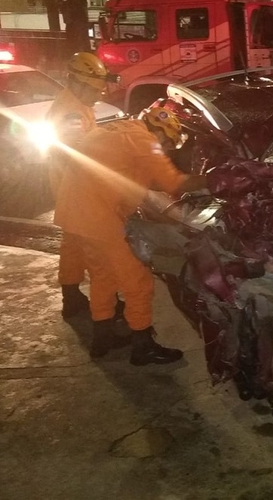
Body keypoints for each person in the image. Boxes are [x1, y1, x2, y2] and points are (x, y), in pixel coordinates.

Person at [53, 105, 207, 365]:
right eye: (168, 144)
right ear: (160, 132)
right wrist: (218, 180)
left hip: (73, 214)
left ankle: (103, 336)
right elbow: (173, 182)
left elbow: (132, 178)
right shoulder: (144, 140)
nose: (166, 150)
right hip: (99, 218)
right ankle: (143, 345)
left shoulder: (114, 128)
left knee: (102, 275)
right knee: (138, 281)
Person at [45, 52, 118, 320]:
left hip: (68, 184)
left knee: (73, 242)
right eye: (93, 90)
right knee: (97, 248)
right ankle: (106, 306)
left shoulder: (76, 103)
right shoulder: (71, 112)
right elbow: (78, 152)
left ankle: (71, 294)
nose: (98, 96)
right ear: (76, 82)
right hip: (76, 185)